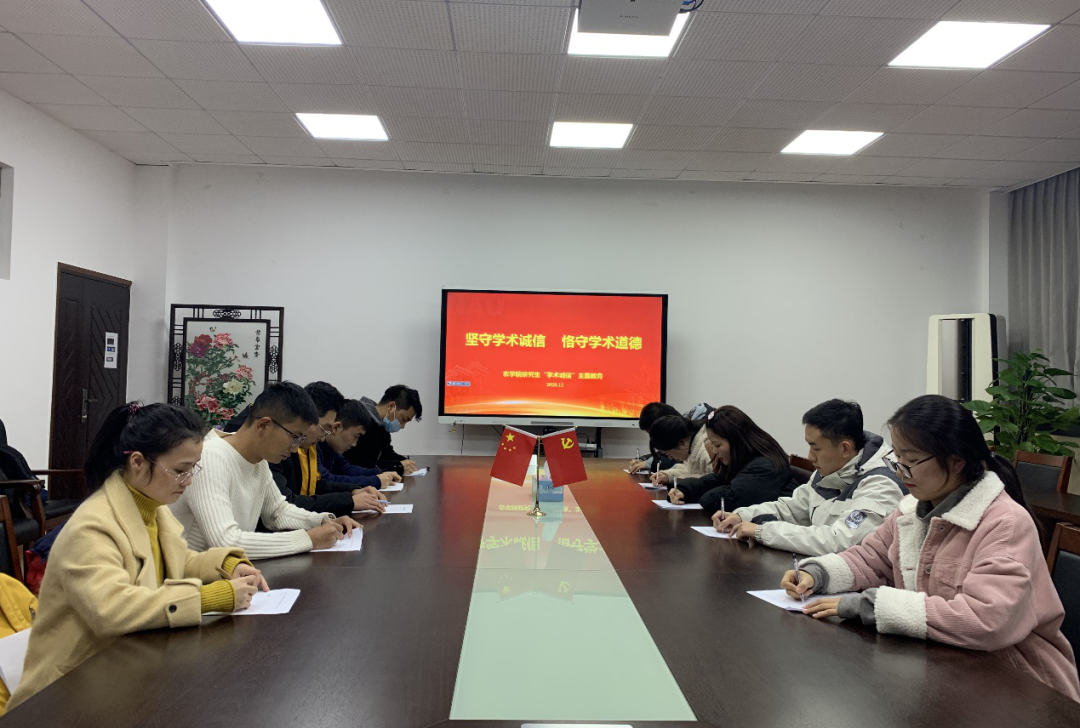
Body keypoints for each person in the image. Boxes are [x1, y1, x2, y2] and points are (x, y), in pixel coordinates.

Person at [782, 395, 1080, 702]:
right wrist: (818, 573)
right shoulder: (911, 510)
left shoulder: (1004, 523)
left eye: (910, 461)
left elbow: (986, 620)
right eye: (897, 458)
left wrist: (869, 606)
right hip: (947, 664)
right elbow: (871, 558)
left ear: (956, 461)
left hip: (1018, 682)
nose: (900, 471)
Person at [9, 403, 268, 711]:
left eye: (193, 469)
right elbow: (113, 608)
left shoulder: (151, 505)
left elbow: (177, 560)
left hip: (124, 670)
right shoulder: (92, 526)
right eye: (180, 470)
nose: (189, 480)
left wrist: (227, 564)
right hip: (67, 693)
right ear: (137, 462)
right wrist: (210, 598)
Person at [170, 382, 360, 559]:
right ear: (263, 425)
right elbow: (226, 541)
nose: (295, 449)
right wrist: (308, 539)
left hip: (231, 572)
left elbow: (277, 512)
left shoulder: (258, 460)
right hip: (193, 576)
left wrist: (322, 521)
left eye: (301, 440)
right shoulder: (210, 458)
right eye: (294, 437)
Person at [714, 399, 905, 555]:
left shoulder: (882, 483)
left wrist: (763, 532)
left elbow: (841, 542)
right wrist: (742, 516)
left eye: (816, 448)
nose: (810, 456)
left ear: (845, 448)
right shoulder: (831, 468)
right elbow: (792, 509)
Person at [272, 383, 385, 517]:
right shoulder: (277, 449)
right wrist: (348, 501)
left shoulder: (308, 446)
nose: (322, 439)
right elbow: (286, 506)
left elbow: (317, 485)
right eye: (325, 428)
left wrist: (353, 491)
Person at [667, 406, 796, 514]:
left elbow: (727, 500)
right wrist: (684, 490)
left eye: (717, 445)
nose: (715, 451)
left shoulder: (764, 467)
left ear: (737, 440)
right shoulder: (745, 459)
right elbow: (718, 480)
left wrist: (703, 495)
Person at [318, 399, 403, 492]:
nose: (354, 444)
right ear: (336, 427)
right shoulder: (315, 447)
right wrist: (375, 481)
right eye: (356, 436)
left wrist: (380, 473)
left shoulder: (332, 449)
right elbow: (327, 481)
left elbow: (347, 469)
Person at [342, 385, 422, 475]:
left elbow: (385, 453)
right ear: (391, 406)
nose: (403, 426)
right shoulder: (360, 421)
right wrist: (398, 466)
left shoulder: (382, 426)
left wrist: (404, 461)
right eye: (404, 419)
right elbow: (357, 462)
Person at [628, 401, 712, 474]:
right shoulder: (686, 430)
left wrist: (650, 463)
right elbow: (666, 452)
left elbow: (680, 461)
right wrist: (643, 459)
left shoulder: (705, 439)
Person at [647, 414, 714, 487]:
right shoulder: (693, 446)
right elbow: (689, 470)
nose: (670, 458)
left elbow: (713, 481)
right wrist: (668, 476)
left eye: (668, 454)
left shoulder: (706, 450)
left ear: (681, 443)